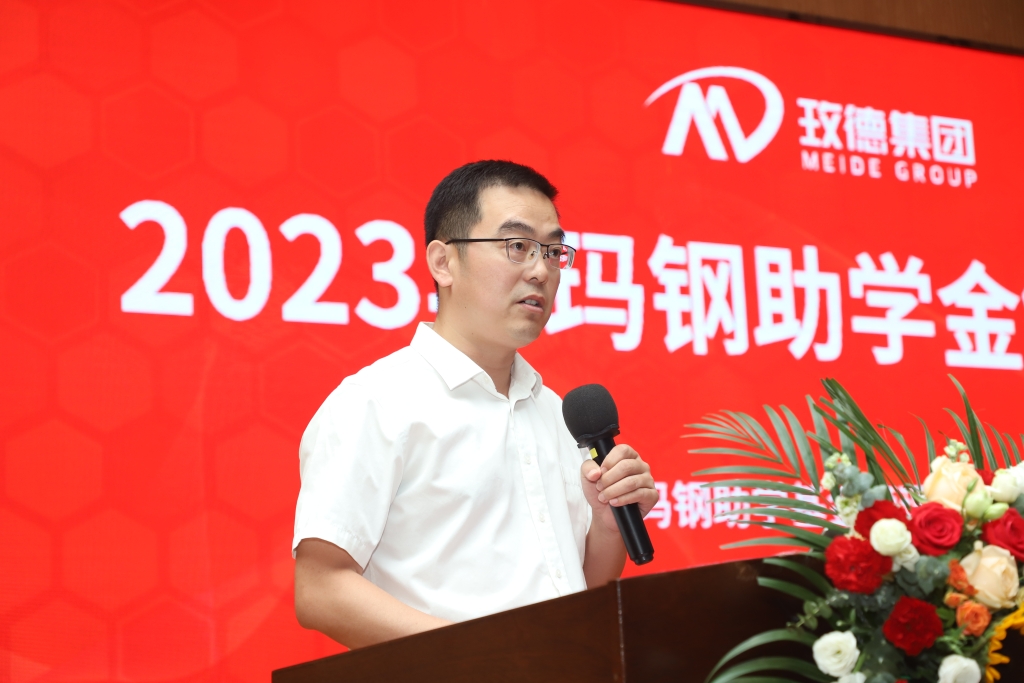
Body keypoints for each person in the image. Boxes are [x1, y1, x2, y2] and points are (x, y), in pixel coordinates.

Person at [292, 160, 658, 648]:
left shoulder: (556, 414)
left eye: (552, 251)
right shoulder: (376, 403)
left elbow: (580, 591)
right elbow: (320, 589)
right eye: (517, 246)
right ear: (443, 262)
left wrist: (609, 529)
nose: (540, 270)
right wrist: (482, 659)